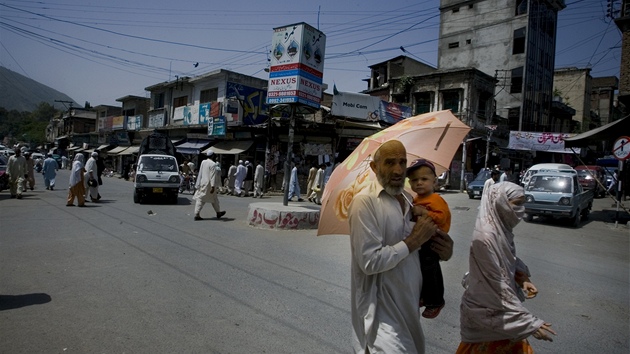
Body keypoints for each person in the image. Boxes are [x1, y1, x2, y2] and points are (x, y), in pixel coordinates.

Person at [349, 140, 454, 353]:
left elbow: (419, 249)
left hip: (409, 311)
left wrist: (445, 250)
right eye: (389, 163)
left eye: (402, 162)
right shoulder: (365, 202)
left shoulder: (409, 199)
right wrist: (413, 241)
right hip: (381, 318)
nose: (398, 170)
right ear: (375, 167)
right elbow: (369, 262)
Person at [457, 182, 556, 353]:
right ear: (500, 203)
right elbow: (496, 284)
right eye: (516, 204)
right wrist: (528, 323)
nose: (521, 209)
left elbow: (507, 260)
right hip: (486, 312)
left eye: (523, 203)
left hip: (501, 311)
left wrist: (522, 278)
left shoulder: (501, 229)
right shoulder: (485, 238)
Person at [407, 158, 452, 319]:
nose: (419, 183)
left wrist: (424, 213)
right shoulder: (415, 200)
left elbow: (441, 218)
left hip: (433, 240)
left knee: (430, 270)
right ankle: (424, 296)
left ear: (434, 181)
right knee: (421, 269)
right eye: (414, 180)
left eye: (424, 179)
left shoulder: (436, 200)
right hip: (423, 239)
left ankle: (435, 301)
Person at [192, 150, 226, 220]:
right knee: (202, 199)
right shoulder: (213, 164)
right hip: (209, 185)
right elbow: (212, 176)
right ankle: (197, 214)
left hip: (203, 183)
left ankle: (218, 212)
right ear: (212, 156)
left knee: (213, 199)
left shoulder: (203, 162)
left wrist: (197, 184)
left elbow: (200, 173)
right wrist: (213, 186)